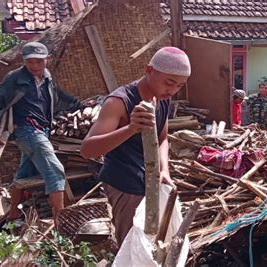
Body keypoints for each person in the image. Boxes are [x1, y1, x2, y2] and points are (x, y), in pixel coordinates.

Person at [80, 47, 190, 246]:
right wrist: (131, 128)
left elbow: (163, 138)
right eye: (169, 83)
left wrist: (164, 170)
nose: (172, 90)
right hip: (125, 184)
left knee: (154, 244)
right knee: (131, 246)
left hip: (152, 182)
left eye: (179, 86)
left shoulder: (162, 99)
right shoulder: (119, 102)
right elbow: (87, 150)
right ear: (149, 70)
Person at [0, 42, 86, 221]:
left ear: (47, 59)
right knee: (56, 171)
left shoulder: (47, 77)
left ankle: (13, 212)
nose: (35, 66)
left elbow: (59, 95)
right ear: (25, 62)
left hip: (43, 130)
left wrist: (81, 105)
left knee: (25, 173)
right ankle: (60, 223)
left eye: (39, 61)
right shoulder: (15, 78)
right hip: (27, 131)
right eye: (30, 62)